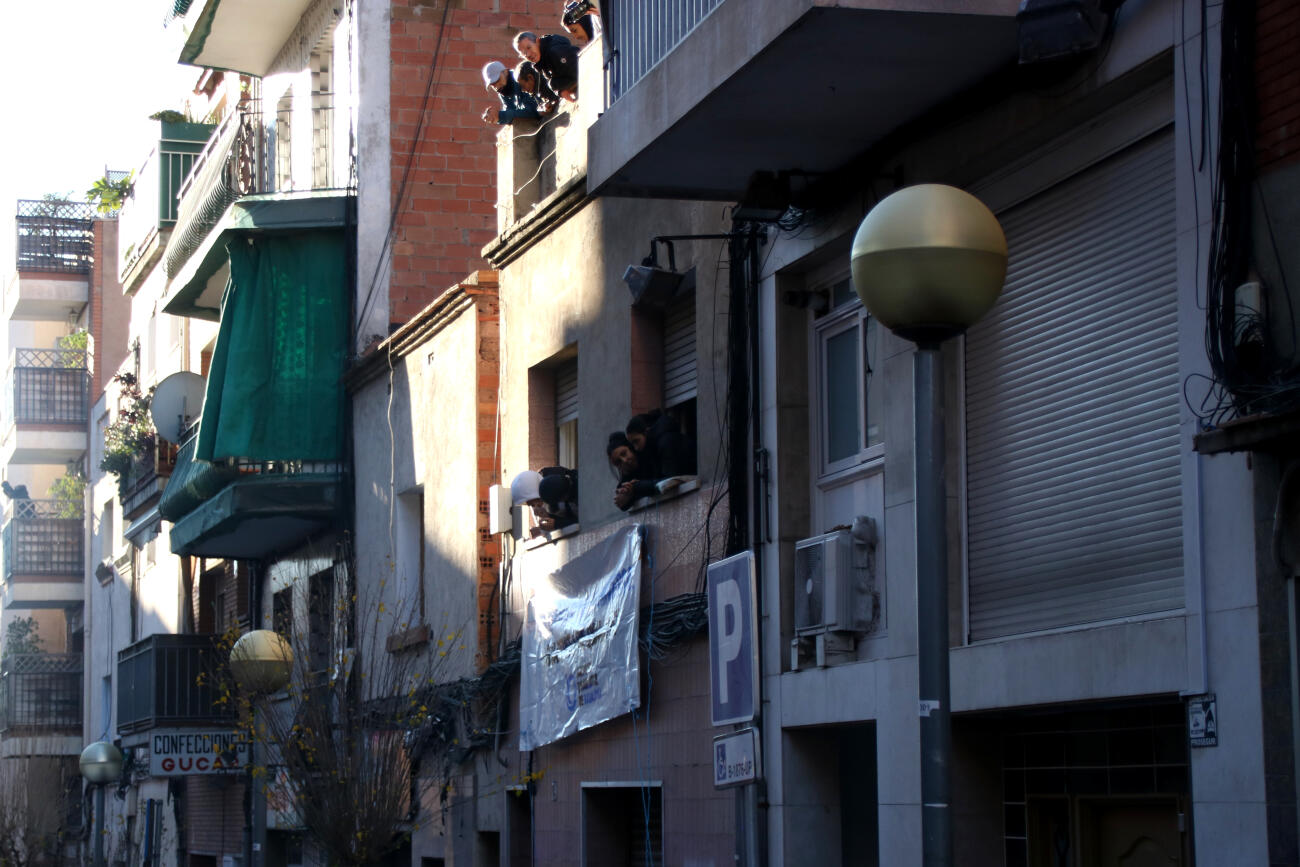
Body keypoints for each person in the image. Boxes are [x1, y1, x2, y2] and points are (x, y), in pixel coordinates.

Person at [513, 31, 579, 102]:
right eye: (523, 53)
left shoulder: (555, 52)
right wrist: (559, 92)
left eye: (529, 47)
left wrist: (561, 89)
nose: (528, 54)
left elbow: (578, 74)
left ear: (537, 42)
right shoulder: (541, 63)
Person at [510, 467, 578, 536]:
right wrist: (549, 517)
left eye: (533, 503)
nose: (536, 506)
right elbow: (572, 520)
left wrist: (556, 524)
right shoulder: (553, 497)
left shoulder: (557, 487)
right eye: (532, 505)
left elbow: (583, 520)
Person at [480, 60, 540, 125]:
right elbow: (509, 112)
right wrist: (495, 117)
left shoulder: (519, 79)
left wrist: (500, 116)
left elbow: (532, 111)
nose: (496, 87)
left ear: (505, 72)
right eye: (493, 85)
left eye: (497, 80)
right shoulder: (503, 89)